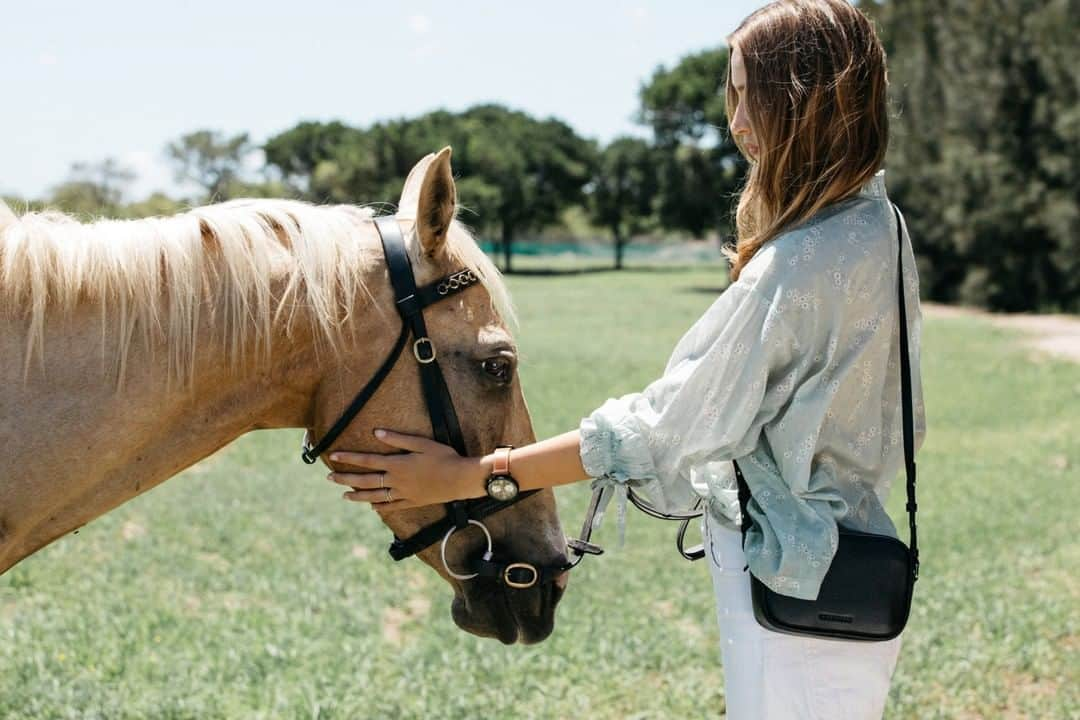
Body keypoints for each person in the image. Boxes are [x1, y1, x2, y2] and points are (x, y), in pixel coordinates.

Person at [324, 0, 927, 717]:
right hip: (856, 545)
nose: (737, 122)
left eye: (753, 96)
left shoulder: (796, 263)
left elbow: (660, 430)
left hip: (795, 576)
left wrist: (475, 476)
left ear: (810, 101)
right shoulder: (877, 225)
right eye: (730, 96)